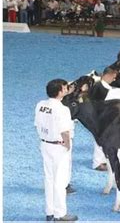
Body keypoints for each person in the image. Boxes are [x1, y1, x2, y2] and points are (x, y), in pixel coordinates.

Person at [35, 79, 78, 221]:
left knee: (49, 178)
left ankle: (50, 211)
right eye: (65, 88)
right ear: (60, 91)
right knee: (60, 181)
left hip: (45, 144)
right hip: (59, 146)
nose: (67, 90)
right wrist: (67, 145)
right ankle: (60, 214)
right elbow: (65, 131)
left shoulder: (40, 105)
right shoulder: (63, 109)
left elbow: (37, 124)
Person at [88, 67, 118, 171]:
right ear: (108, 75)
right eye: (113, 77)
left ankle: (103, 160)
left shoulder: (100, 86)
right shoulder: (100, 88)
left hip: (101, 116)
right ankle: (98, 163)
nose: (114, 80)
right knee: (99, 140)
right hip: (99, 116)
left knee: (103, 139)